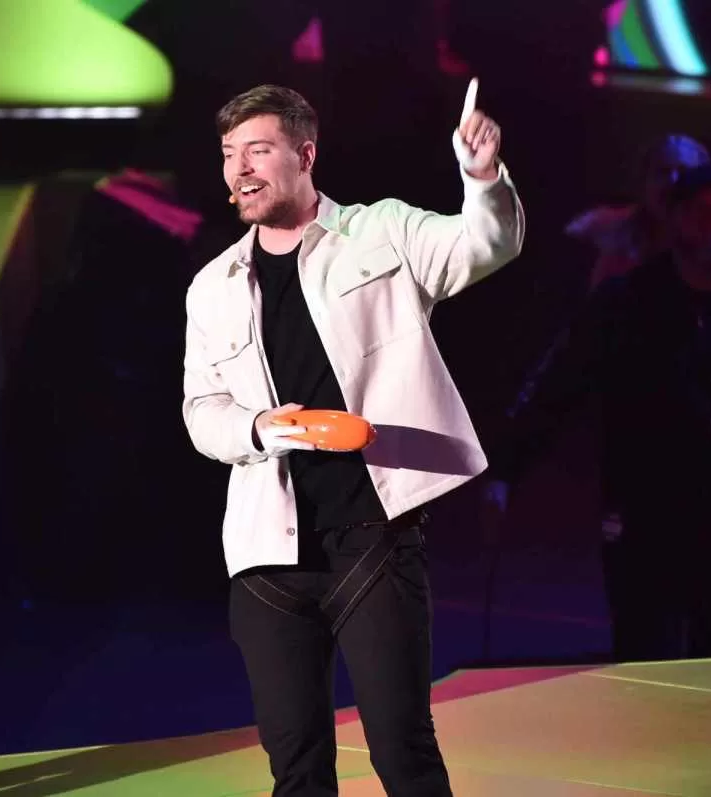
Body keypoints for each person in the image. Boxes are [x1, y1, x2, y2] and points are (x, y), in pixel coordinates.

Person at [181, 83, 524, 795]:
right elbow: (200, 409)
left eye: (259, 150)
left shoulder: (382, 231)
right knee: (296, 765)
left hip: (372, 536)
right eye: (229, 154)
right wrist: (258, 428)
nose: (240, 169)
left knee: (402, 749)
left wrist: (482, 177)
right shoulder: (213, 285)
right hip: (266, 553)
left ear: (305, 154)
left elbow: (486, 244)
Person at [484, 166, 711, 662]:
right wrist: (506, 468)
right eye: (699, 211)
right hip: (642, 509)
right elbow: (558, 384)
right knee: (643, 653)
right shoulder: (625, 304)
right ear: (674, 220)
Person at [567, 133, 710, 291]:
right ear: (644, 182)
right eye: (662, 172)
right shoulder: (606, 232)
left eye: (683, 172)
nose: (672, 181)